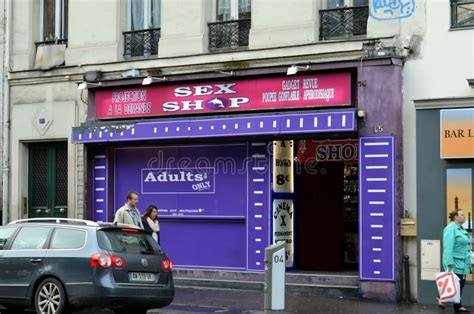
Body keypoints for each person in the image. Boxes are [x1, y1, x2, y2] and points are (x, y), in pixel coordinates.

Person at [440, 209, 471, 312]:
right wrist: (448, 264)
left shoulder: (460, 229)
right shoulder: (450, 228)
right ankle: (442, 299)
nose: (464, 216)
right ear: (456, 217)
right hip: (455, 262)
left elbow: (466, 242)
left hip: (463, 262)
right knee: (453, 283)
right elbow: (448, 247)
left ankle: (457, 305)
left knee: (460, 284)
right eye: (462, 215)